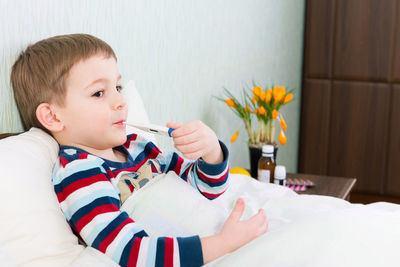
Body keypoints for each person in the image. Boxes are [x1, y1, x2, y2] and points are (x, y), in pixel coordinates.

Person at [10, 34, 268, 267]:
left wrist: (211, 152)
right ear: (53, 117)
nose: (121, 101)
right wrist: (224, 243)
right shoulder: (80, 174)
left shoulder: (138, 146)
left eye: (118, 88)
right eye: (99, 93)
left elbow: (207, 189)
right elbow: (132, 252)